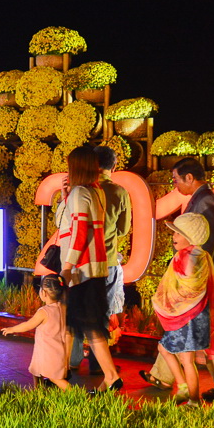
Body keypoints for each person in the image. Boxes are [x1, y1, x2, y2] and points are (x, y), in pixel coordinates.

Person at [140, 157, 214, 402]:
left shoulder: (204, 201)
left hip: (203, 284)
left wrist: (187, 275)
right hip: (202, 283)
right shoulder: (203, 198)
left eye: (176, 180)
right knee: (183, 329)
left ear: (189, 178)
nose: (175, 186)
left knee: (211, 334)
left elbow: (201, 244)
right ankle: (163, 376)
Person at [58, 146, 121, 393]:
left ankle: (61, 373)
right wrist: (66, 197)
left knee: (76, 324)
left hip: (80, 271)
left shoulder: (80, 193)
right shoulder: (95, 192)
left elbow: (79, 233)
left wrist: (67, 267)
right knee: (88, 325)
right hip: (95, 269)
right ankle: (110, 376)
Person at [69, 146, 133, 372]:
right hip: (107, 261)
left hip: (81, 260)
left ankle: (73, 359)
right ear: (113, 166)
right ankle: (98, 364)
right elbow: (124, 229)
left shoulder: (81, 190)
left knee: (76, 309)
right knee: (102, 314)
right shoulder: (119, 192)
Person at [152, 213, 214, 408]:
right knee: (182, 357)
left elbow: (188, 286)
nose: (174, 237)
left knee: (178, 356)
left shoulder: (185, 256)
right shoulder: (203, 255)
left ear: (190, 236)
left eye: (178, 233)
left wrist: (169, 299)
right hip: (198, 315)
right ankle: (185, 390)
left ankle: (192, 398)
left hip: (185, 317)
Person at [1, 274, 70, 390]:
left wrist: (11, 329)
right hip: (57, 350)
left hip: (48, 352)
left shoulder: (44, 311)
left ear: (44, 293)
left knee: (55, 379)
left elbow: (28, 325)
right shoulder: (62, 308)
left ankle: (78, 395)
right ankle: (38, 390)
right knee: (35, 370)